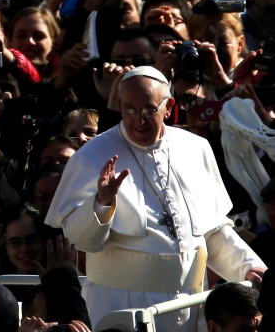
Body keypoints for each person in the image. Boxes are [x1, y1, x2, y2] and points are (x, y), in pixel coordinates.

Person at [45, 65, 267, 331]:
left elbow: (211, 231)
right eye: (129, 109)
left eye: (149, 110)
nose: (138, 119)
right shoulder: (92, 156)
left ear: (168, 105)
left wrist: (248, 267)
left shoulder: (195, 148)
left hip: (189, 303)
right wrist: (101, 203)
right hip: (123, 305)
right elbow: (78, 240)